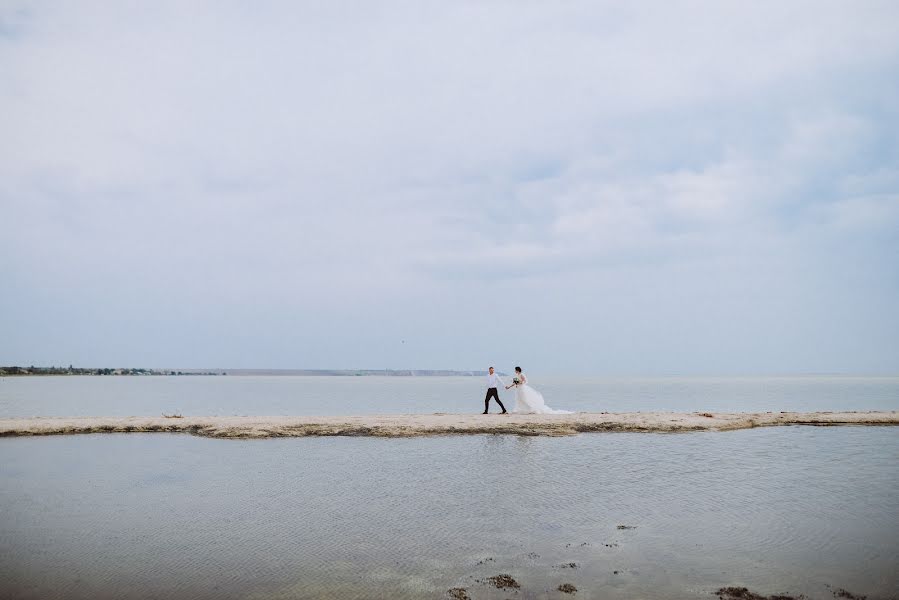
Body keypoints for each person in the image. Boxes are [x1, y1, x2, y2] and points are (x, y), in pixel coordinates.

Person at [505, 366, 572, 414]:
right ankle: (522, 410)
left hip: (522, 388)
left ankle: (530, 409)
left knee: (524, 399)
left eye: (515, 370)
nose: (515, 371)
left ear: (518, 370)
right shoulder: (517, 375)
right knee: (519, 399)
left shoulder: (522, 374)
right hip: (518, 389)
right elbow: (514, 382)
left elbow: (524, 381)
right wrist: (509, 387)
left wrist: (519, 383)